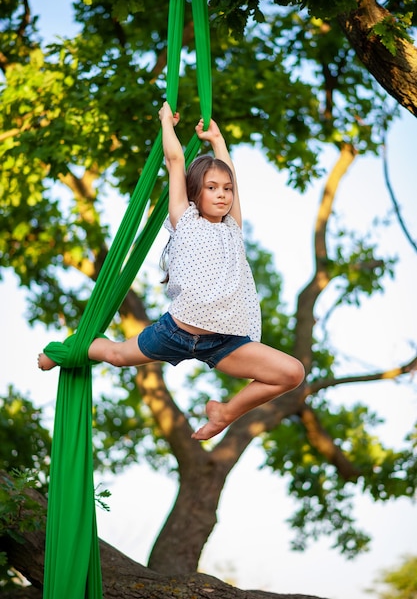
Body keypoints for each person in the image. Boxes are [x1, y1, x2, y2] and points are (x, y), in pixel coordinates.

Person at [38, 102, 305, 440]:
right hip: (176, 331)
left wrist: (218, 139)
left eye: (226, 189)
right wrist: (167, 122)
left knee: (292, 372)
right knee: (118, 355)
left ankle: (223, 413)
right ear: (196, 193)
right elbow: (176, 160)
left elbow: (230, 173)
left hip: (223, 343)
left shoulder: (233, 227)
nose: (222, 195)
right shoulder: (186, 219)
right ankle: (63, 352)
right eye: (212, 188)